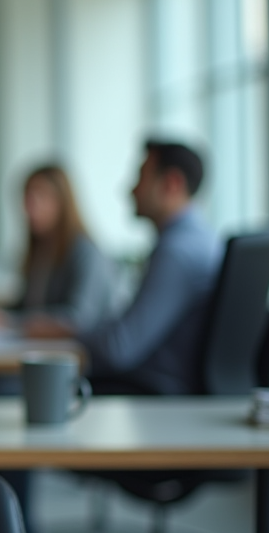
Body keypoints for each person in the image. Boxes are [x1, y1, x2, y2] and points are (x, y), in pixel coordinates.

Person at [28, 141, 222, 395]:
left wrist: (71, 331)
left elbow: (119, 349)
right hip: (159, 386)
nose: (130, 190)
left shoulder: (177, 253)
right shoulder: (202, 239)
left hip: (152, 392)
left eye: (141, 177)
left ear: (172, 183)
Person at [0, 164, 115, 334]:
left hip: (81, 357)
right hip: (44, 350)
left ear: (63, 202)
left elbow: (77, 320)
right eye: (27, 198)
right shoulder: (40, 250)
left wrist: (8, 321)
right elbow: (30, 307)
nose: (30, 207)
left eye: (40, 196)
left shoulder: (85, 253)